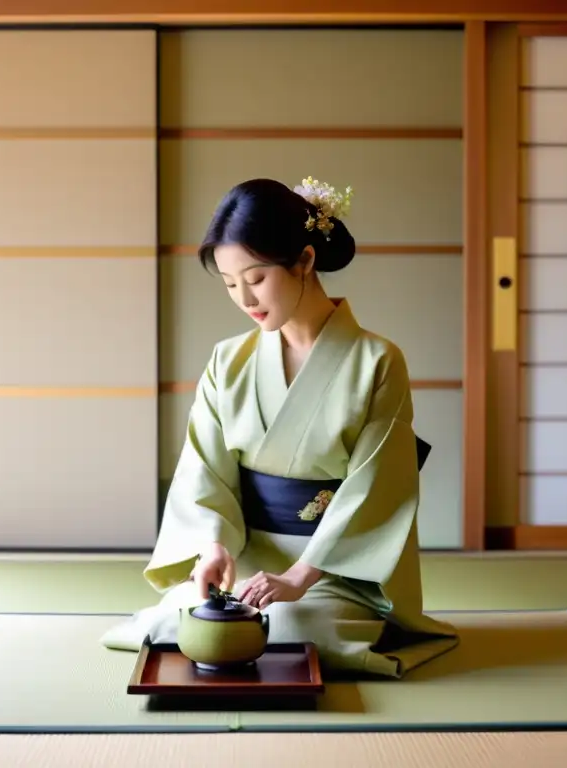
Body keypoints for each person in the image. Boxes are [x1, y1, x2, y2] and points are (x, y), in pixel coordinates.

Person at [100, 177, 459, 678]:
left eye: (257, 277)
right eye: (229, 284)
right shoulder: (228, 361)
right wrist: (215, 548)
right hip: (247, 559)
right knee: (179, 620)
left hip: (332, 568)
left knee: (289, 626)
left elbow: (379, 487)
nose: (245, 297)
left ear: (305, 261)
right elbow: (205, 470)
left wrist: (298, 576)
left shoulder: (377, 361)